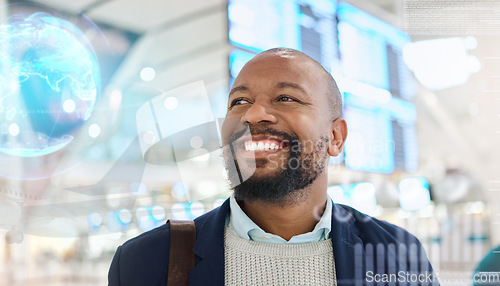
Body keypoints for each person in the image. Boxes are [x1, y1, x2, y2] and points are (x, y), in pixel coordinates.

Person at [108, 48, 439, 285]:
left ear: (336, 137)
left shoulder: (396, 254)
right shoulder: (148, 261)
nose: (253, 115)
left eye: (286, 98)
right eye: (239, 101)